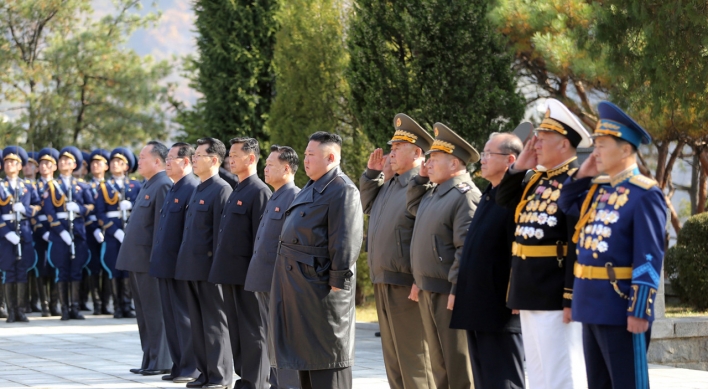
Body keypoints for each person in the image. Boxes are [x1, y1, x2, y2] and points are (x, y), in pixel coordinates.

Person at [557, 101, 666, 389]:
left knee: (628, 383)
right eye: (596, 145)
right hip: (591, 303)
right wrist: (583, 174)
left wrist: (639, 310)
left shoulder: (645, 194)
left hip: (620, 307)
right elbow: (566, 204)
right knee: (599, 384)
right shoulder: (600, 190)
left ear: (626, 149)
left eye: (603, 145)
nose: (596, 152)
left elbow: (649, 256)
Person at [496, 98, 592, 389]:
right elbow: (503, 201)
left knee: (563, 373)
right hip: (529, 290)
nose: (534, 144)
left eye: (543, 139)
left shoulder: (578, 182)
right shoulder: (536, 180)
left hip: (554, 293)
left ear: (564, 144)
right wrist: (518, 168)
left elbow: (577, 245)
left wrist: (569, 297)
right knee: (538, 374)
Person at [270, 132, 363, 389]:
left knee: (327, 364)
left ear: (331, 157)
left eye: (311, 155)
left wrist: (337, 280)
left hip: (319, 290)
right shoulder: (314, 185)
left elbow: (345, 239)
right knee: (305, 365)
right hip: (300, 288)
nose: (306, 159)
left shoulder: (342, 189)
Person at [359, 113, 435, 389]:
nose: (390, 153)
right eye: (390, 147)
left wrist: (418, 279)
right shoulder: (391, 182)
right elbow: (366, 206)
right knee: (393, 363)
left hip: (406, 284)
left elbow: (425, 237)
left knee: (415, 361)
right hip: (384, 279)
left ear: (417, 152)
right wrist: (372, 174)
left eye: (396, 148)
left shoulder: (421, 185)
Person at [406, 123, 481, 389]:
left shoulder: (464, 196)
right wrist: (420, 179)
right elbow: (412, 206)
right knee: (440, 365)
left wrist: (457, 288)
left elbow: (467, 249)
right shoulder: (435, 192)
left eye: (435, 159)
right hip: (429, 287)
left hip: (448, 292)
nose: (427, 163)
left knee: (458, 365)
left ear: (454, 164)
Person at [449, 131, 526, 389]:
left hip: (499, 311)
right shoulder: (490, 193)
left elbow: (518, 251)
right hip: (478, 307)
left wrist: (516, 294)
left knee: (504, 379)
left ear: (510, 159)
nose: (482, 159)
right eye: (483, 153)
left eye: (489, 154)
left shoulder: (516, 198)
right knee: (484, 380)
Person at [210, 138, 272, 389]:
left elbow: (261, 238)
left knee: (252, 330)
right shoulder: (238, 188)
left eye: (235, 155)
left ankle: (256, 381)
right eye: (230, 156)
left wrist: (256, 275)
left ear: (251, 159)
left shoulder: (259, 191)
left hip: (248, 276)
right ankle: (245, 378)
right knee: (236, 330)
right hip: (232, 274)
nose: (230, 160)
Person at [174, 137, 234, 389]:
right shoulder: (199, 187)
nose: (194, 159)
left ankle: (220, 375)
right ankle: (205, 372)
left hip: (209, 269)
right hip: (191, 267)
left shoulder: (222, 189)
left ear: (214, 160)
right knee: (197, 324)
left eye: (199, 155)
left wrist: (217, 269)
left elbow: (221, 235)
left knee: (213, 323)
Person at [244, 145, 302, 389]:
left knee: (282, 338)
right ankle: (276, 382)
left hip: (278, 280)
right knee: (270, 337)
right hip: (263, 277)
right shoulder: (275, 195)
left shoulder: (293, 196)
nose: (265, 168)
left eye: (270, 165)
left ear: (286, 168)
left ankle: (287, 384)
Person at [115, 141, 172, 376]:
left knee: (154, 312)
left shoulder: (162, 185)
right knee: (144, 313)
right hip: (136, 259)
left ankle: (161, 361)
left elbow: (161, 229)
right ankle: (149, 358)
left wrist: (157, 261)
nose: (139, 161)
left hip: (148, 261)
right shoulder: (148, 184)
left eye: (143, 157)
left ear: (157, 161)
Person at [149, 142, 200, 384]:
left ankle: (191, 367)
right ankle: (179, 365)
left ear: (186, 162)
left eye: (172, 158)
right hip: (165, 263)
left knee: (183, 318)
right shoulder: (174, 187)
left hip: (179, 265)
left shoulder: (191, 187)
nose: (167, 162)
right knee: (171, 319)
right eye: (166, 158)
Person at [42, 146, 94, 320]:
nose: (64, 162)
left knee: (76, 270)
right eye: (62, 160)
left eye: (68, 161)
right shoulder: (51, 186)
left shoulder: (81, 186)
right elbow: (49, 211)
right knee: (62, 270)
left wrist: (78, 208)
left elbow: (91, 205)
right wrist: (59, 230)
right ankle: (64, 308)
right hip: (60, 233)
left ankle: (75, 307)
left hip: (78, 232)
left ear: (74, 165)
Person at [97, 148, 143, 319]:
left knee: (128, 269)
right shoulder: (104, 187)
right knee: (114, 268)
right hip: (112, 233)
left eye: (119, 162)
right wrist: (114, 230)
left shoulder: (135, 185)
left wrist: (131, 205)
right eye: (113, 162)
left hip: (130, 231)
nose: (115, 164)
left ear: (126, 166)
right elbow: (100, 213)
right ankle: (117, 305)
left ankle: (127, 304)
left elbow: (141, 208)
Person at [0, 146, 41, 323]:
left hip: (24, 232)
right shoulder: (1, 186)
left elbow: (38, 205)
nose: (10, 165)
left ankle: (21, 311)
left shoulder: (28, 186)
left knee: (22, 271)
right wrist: (6, 232)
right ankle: (11, 312)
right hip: (6, 235)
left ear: (20, 166)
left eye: (14, 162)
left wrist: (26, 210)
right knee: (9, 272)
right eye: (7, 162)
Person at [33, 148, 62, 317]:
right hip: (40, 231)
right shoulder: (33, 187)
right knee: (42, 267)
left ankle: (54, 303)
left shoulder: (59, 186)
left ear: (55, 167)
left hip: (57, 230)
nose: (45, 167)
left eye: (48, 164)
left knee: (56, 265)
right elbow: (33, 212)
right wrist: (41, 231)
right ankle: (44, 304)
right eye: (42, 163)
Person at [85, 149, 112, 316]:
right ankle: (96, 303)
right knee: (93, 267)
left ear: (106, 166)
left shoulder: (110, 186)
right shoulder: (85, 186)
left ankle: (107, 303)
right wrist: (95, 228)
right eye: (93, 163)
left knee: (108, 266)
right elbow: (87, 210)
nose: (96, 165)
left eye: (99, 163)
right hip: (90, 231)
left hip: (109, 230)